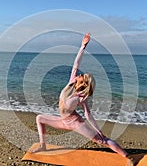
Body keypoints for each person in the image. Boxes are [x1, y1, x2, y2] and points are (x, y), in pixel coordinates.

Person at [30, 32, 135, 166]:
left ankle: (127, 157)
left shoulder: (81, 98)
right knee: (39, 118)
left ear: (84, 84)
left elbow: (88, 114)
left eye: (82, 76)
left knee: (102, 141)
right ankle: (42, 145)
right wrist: (82, 47)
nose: (79, 74)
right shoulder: (71, 82)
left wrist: (98, 130)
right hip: (63, 121)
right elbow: (76, 63)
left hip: (76, 123)